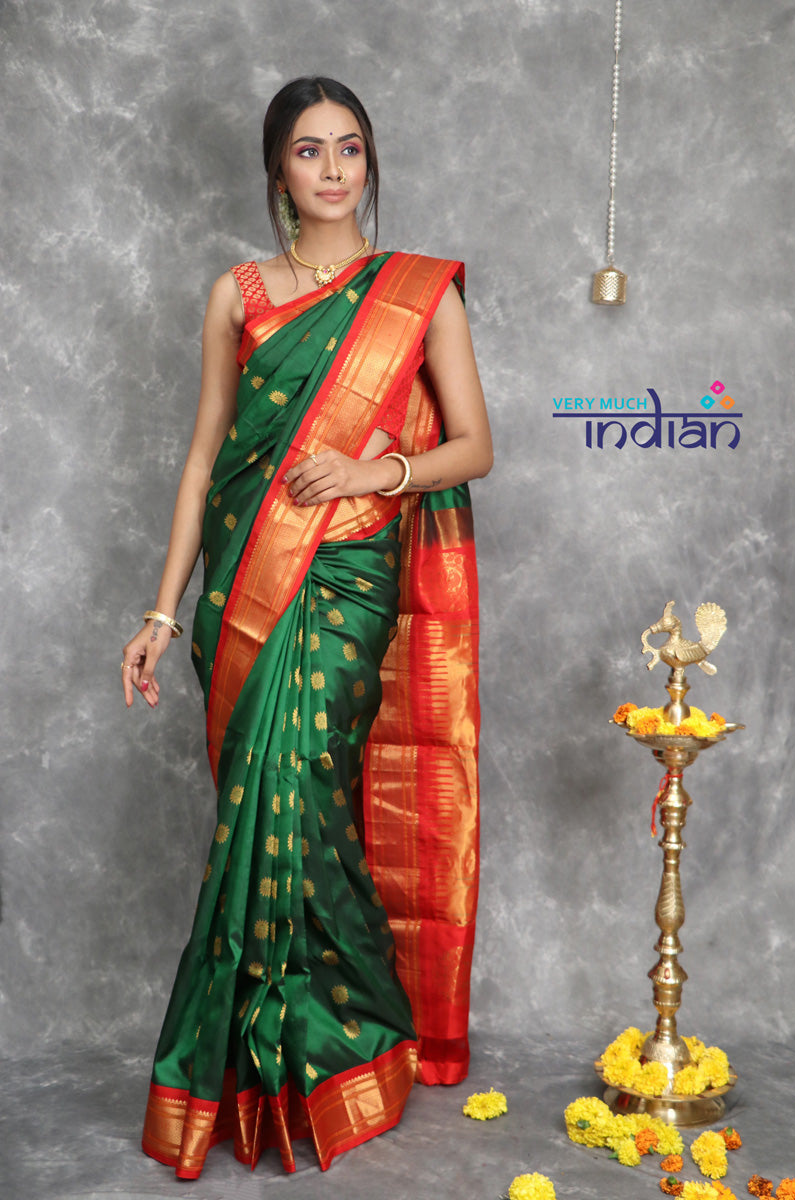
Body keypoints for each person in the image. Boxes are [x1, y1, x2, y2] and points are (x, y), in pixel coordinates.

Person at [122, 76, 492, 1179]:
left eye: (350, 148)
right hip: (242, 586)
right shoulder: (237, 295)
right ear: (277, 170)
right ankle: (255, 1064)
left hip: (343, 580)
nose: (333, 170)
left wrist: (375, 472)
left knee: (310, 798)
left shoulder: (417, 293)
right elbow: (204, 458)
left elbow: (473, 446)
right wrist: (161, 609)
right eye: (308, 150)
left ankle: (344, 1046)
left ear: (369, 162)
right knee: (255, 808)